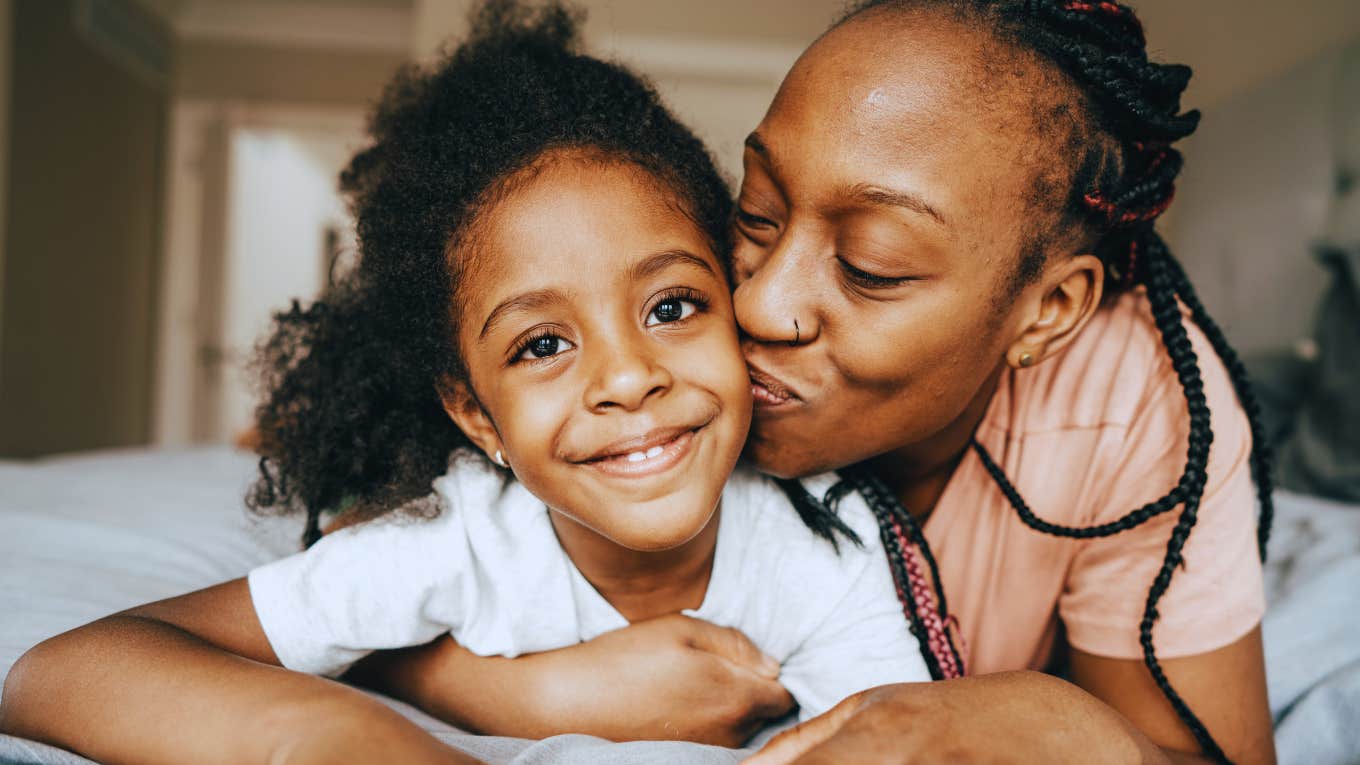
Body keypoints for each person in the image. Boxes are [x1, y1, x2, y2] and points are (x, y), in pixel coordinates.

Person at [0, 3, 933, 763]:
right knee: (349, 516)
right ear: (474, 411)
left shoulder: (832, 543)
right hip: (419, 502)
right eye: (540, 345)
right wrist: (329, 730)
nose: (628, 378)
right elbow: (55, 670)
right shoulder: (457, 538)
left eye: (671, 307)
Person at [362, 2, 1278, 763]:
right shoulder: (645, 353)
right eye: (756, 212)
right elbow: (351, 573)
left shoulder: (1134, 401)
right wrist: (519, 691)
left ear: (1046, 313)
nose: (762, 303)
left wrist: (1061, 722)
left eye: (873, 266)